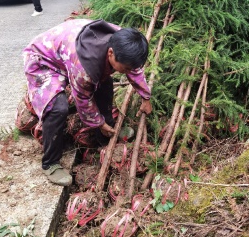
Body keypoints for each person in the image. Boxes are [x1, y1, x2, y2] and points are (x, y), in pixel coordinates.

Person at [23, 19, 152, 186]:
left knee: (105, 84)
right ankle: (50, 163)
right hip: (43, 60)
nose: (128, 72)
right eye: (126, 68)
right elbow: (83, 99)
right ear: (111, 53)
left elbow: (135, 69)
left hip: (65, 50)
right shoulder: (84, 69)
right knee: (57, 107)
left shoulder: (124, 41)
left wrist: (145, 97)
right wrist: (98, 122)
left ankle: (106, 133)